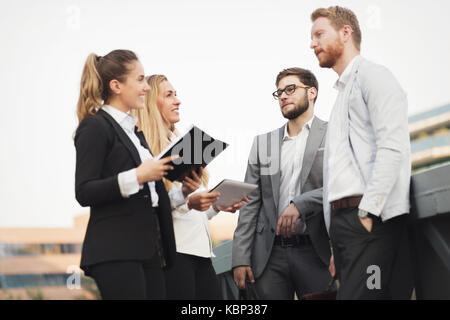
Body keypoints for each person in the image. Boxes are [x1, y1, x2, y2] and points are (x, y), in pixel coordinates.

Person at [310, 6, 411, 299]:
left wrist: (368, 213)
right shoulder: (340, 97)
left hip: (368, 222)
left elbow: (392, 147)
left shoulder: (374, 77)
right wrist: (338, 241)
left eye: (319, 34)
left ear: (345, 32)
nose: (312, 43)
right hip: (347, 229)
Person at [132, 74, 248, 299]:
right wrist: (186, 197)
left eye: (176, 94)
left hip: (202, 254)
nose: (178, 101)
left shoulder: (181, 146)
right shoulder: (144, 152)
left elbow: (192, 213)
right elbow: (152, 207)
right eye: (168, 95)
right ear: (150, 102)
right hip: (173, 255)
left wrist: (216, 206)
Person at [74, 50, 178, 299]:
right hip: (115, 251)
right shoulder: (95, 126)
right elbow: (84, 190)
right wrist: (138, 176)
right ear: (116, 85)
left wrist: (184, 193)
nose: (146, 87)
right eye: (140, 79)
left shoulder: (136, 134)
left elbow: (149, 197)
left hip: (149, 250)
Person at [232, 68, 332, 299]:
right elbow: (250, 204)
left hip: (316, 250)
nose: (284, 96)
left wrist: (301, 204)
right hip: (269, 256)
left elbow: (341, 185)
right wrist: (240, 257)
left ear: (312, 92)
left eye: (290, 89)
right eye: (279, 93)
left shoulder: (333, 133)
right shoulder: (263, 144)